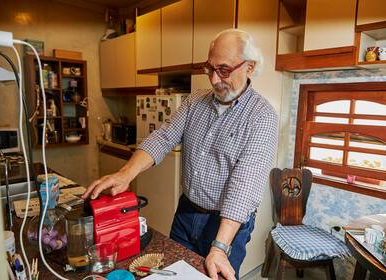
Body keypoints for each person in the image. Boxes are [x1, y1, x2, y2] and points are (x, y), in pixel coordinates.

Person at [83, 29, 278, 280]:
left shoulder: (262, 117)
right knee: (173, 274)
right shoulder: (194, 101)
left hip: (226, 223)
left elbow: (245, 187)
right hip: (186, 211)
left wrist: (219, 248)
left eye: (224, 70)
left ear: (249, 67)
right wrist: (125, 174)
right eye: (210, 68)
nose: (214, 79)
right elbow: (163, 137)